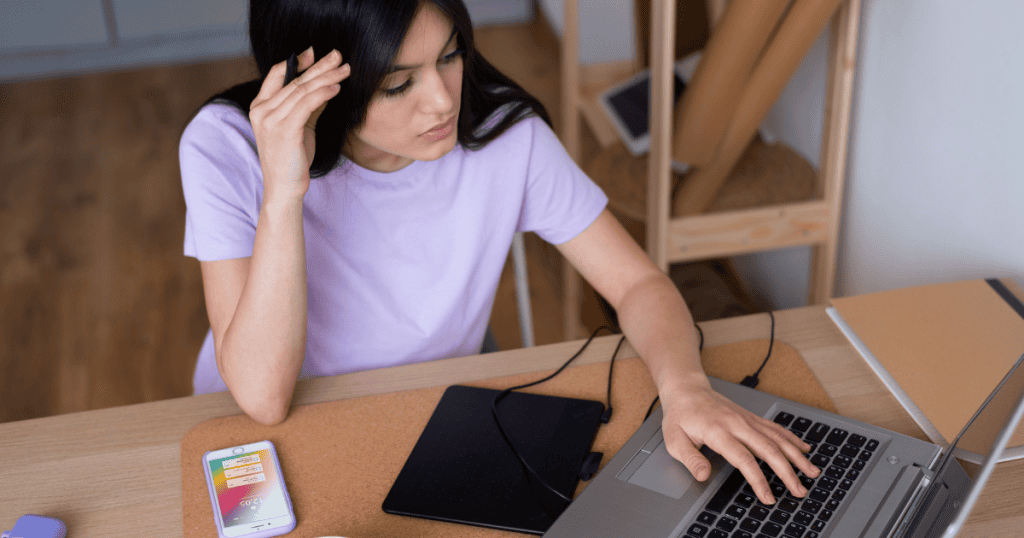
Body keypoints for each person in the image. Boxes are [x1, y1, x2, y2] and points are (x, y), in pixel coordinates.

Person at [179, 0, 819, 505]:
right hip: (265, 429)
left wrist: (686, 390)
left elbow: (636, 285)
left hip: (429, 410)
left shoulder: (506, 138)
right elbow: (263, 396)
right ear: (317, 83)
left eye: (451, 57)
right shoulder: (227, 146)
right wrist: (284, 193)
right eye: (398, 85)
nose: (442, 100)